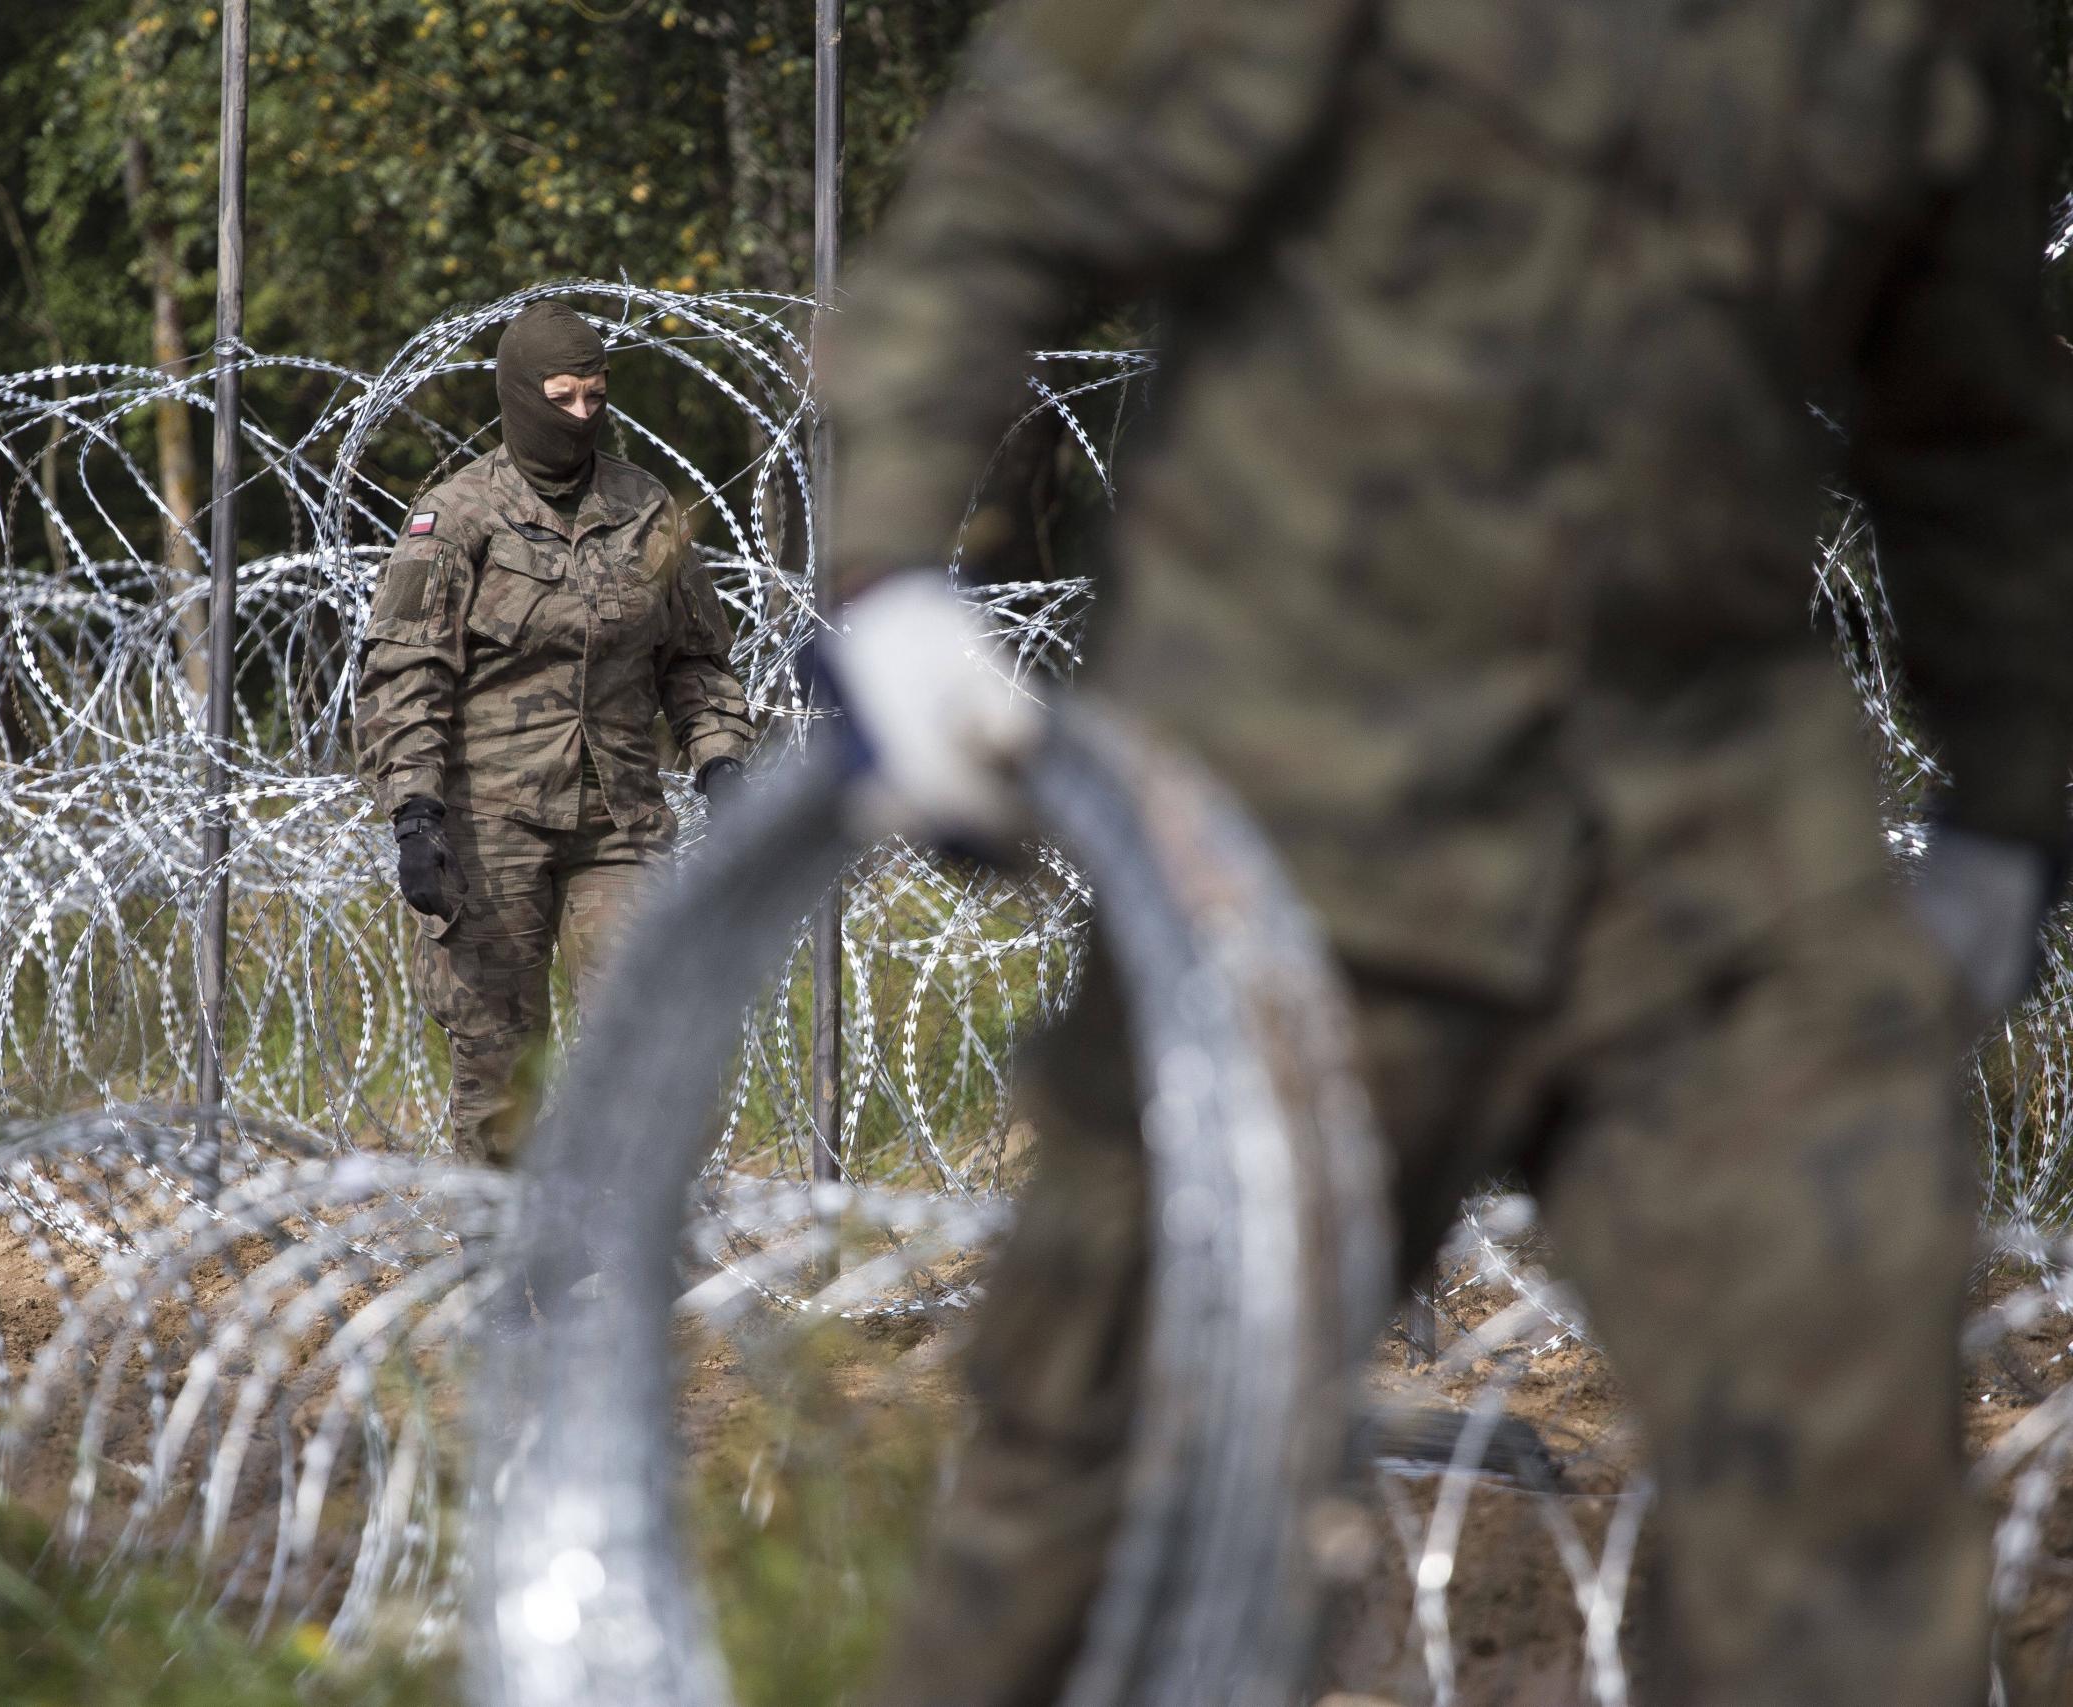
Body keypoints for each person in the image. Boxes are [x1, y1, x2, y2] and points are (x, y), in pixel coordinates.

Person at [814, 1, 2073, 1702]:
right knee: (1112, 1481)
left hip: (1712, 849)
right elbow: (1003, 205)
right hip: (1293, 815)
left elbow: (1973, 416)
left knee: (1850, 1494)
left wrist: (2013, 793)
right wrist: (893, 567)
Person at [362, 300, 755, 1163]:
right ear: (520, 395)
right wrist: (415, 813)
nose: (583, 414)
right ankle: (506, 1269)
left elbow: (696, 661)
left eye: (596, 393)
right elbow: (406, 674)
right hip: (488, 828)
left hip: (619, 824)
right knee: (504, 1069)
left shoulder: (646, 509)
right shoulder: (457, 517)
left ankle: (629, 1263)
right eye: (563, 396)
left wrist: (722, 765)